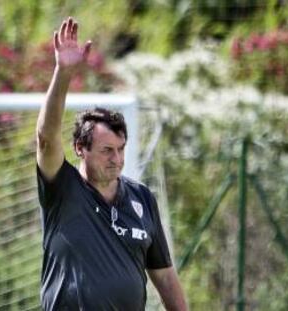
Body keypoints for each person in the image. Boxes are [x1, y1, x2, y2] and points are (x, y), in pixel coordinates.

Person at [36, 16, 188, 311]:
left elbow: (165, 277)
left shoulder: (142, 198)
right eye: (107, 150)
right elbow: (45, 137)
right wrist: (63, 73)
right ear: (80, 148)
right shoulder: (62, 188)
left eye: (121, 149)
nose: (117, 159)